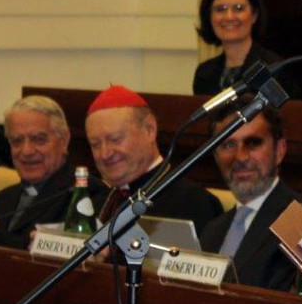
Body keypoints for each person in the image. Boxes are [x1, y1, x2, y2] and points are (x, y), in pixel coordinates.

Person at [0, 96, 107, 250]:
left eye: (38, 139)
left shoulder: (87, 194)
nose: (27, 151)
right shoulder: (2, 198)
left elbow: (53, 259)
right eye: (17, 141)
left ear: (64, 140)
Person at [199, 98, 302, 290]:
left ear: (279, 150)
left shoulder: (300, 222)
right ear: (215, 156)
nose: (240, 157)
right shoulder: (212, 230)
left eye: (253, 143)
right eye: (228, 145)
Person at [86, 85, 222, 234]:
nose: (105, 154)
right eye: (95, 144)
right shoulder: (97, 202)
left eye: (115, 139)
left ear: (149, 129)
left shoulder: (193, 202)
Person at [193, 0, 292, 96]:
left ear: (254, 15)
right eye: (220, 9)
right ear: (209, 17)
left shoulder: (273, 68)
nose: (229, 17)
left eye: (238, 8)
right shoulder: (204, 73)